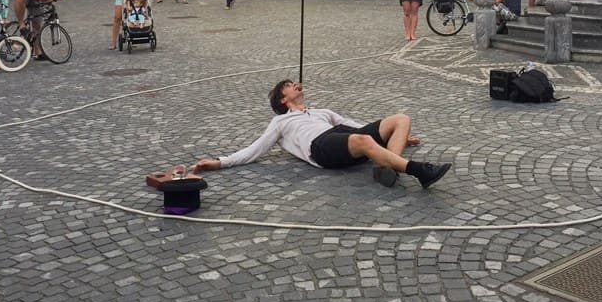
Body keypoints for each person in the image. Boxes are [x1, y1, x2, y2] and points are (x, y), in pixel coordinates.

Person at [192, 79, 452, 190]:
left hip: (341, 136)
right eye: (289, 86)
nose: (295, 85)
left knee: (401, 119)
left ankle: (389, 166)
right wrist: (220, 162)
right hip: (320, 148)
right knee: (364, 140)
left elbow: (353, 124)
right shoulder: (281, 122)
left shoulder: (322, 111)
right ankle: (420, 171)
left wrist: (398, 136)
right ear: (284, 100)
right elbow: (256, 149)